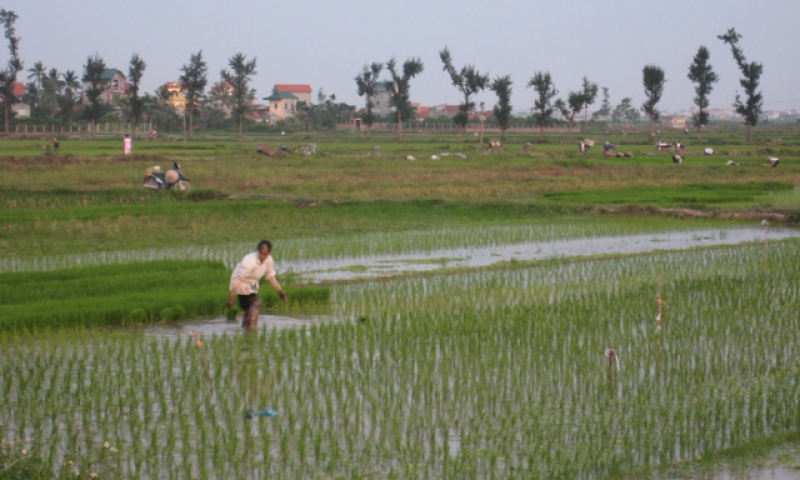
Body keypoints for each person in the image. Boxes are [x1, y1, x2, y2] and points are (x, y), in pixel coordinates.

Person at [226, 240, 287, 329]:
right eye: (261, 253)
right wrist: (231, 298)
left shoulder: (268, 260)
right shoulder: (249, 262)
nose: (263, 256)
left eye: (266, 254)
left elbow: (271, 278)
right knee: (255, 302)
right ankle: (250, 328)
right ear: (258, 251)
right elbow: (237, 279)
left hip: (252, 283)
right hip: (241, 283)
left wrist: (281, 293)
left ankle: (247, 330)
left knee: (250, 309)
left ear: (269, 253)